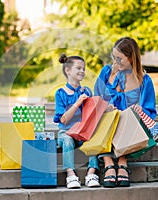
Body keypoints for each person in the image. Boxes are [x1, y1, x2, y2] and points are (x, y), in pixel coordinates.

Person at [94, 37, 157, 187]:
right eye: (114, 57)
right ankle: (108, 162)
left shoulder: (144, 80)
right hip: (107, 122)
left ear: (131, 57)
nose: (115, 62)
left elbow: (150, 111)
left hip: (128, 127)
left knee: (128, 118)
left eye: (119, 58)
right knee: (106, 118)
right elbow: (95, 98)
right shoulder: (107, 72)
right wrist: (105, 107)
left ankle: (122, 161)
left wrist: (141, 110)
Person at [53, 53, 100, 189]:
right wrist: (78, 102)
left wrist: (104, 107)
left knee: (93, 139)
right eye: (78, 68)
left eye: (83, 69)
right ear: (68, 71)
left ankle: (92, 172)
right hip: (66, 132)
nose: (82, 71)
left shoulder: (86, 91)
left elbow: (92, 112)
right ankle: (70, 174)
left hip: (82, 131)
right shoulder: (60, 93)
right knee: (67, 140)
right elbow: (63, 119)